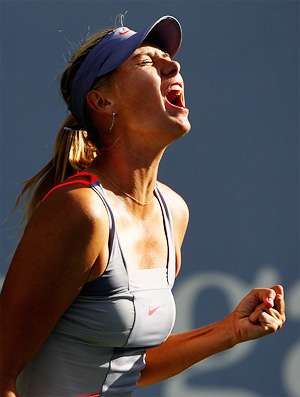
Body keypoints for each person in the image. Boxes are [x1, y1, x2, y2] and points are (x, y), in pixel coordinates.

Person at [0, 15, 285, 397]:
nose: (173, 63)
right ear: (102, 101)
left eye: (168, 56)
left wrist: (229, 330)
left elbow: (129, 365)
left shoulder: (173, 211)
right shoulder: (81, 212)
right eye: (148, 61)